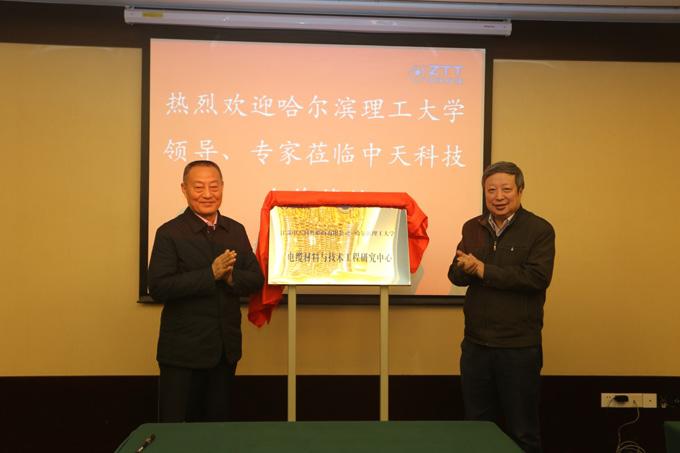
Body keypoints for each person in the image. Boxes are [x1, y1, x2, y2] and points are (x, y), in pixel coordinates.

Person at [448, 161, 555, 453]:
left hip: (518, 347)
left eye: (506, 189)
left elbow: (536, 278)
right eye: (491, 190)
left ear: (520, 191)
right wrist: (462, 268)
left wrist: (484, 270)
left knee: (523, 430)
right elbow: (456, 277)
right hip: (476, 346)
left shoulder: (539, 229)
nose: (498, 196)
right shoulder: (473, 227)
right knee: (477, 427)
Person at [148, 160, 264, 422]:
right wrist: (209, 274)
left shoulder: (235, 230)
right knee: (177, 429)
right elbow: (158, 287)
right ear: (184, 189)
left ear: (222, 187)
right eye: (198, 187)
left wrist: (231, 277)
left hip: (225, 351)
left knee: (216, 429)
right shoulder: (170, 232)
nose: (207, 194)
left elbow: (256, 279)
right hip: (182, 353)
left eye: (214, 186)